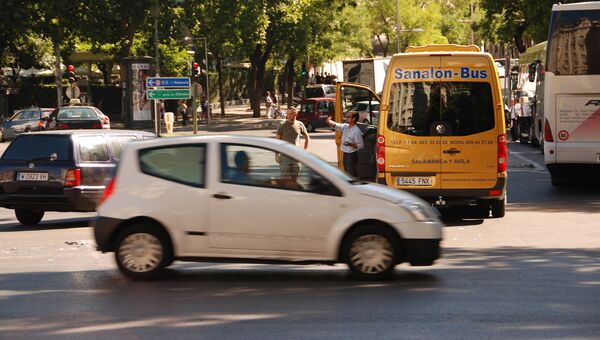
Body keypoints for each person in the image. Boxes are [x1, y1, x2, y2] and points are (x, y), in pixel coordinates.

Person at [276, 107, 310, 180]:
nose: (289, 115)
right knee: (284, 179)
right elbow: (277, 140)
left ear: (296, 114)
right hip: (285, 156)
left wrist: (304, 151)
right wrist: (277, 154)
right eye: (288, 114)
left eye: (291, 114)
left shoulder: (300, 124)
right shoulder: (282, 124)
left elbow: (307, 137)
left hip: (296, 156)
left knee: (295, 180)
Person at [326, 112, 364, 177]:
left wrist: (350, 144)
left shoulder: (356, 131)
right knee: (347, 174)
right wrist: (329, 121)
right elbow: (336, 125)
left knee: (351, 174)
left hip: (351, 155)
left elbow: (361, 145)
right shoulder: (346, 126)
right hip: (345, 154)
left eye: (349, 117)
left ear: (353, 119)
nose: (347, 118)